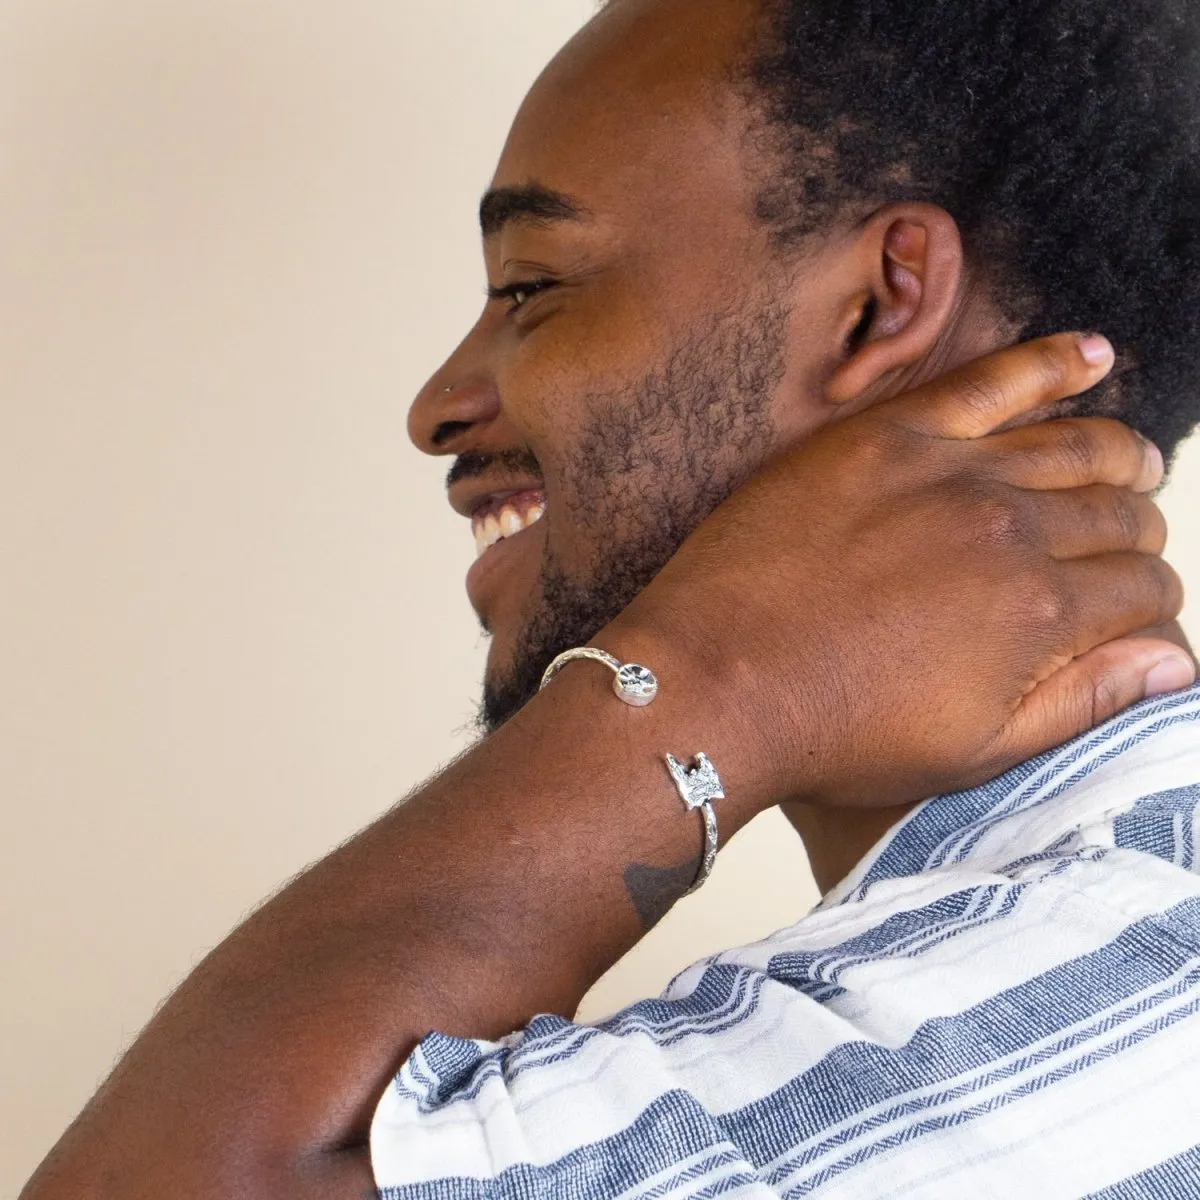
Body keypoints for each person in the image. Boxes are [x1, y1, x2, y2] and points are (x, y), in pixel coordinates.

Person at [21, 0, 1200, 1196]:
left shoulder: (1110, 984)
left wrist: (718, 682)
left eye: (531, 287)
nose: (435, 405)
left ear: (878, 306)